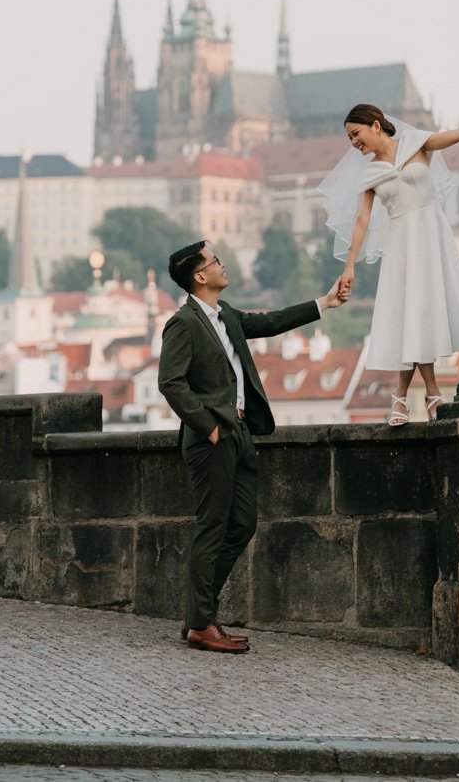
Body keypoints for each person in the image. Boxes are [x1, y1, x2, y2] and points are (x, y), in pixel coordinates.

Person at [158, 241, 346, 654]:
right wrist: (207, 426)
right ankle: (202, 623)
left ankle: (197, 612)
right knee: (212, 527)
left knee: (242, 524)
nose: (224, 264)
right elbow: (171, 383)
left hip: (241, 432)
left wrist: (324, 302)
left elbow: (272, 321)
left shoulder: (225, 316)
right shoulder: (183, 323)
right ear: (200, 276)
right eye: (215, 261)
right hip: (213, 437)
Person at [322, 102, 459, 426]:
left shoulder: (416, 143)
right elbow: (362, 220)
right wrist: (350, 265)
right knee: (412, 315)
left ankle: (406, 396)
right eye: (350, 138)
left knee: (422, 314)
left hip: (431, 236)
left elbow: (451, 137)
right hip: (402, 244)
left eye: (356, 134)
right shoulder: (369, 173)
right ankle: (425, 394)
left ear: (376, 124)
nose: (354, 143)